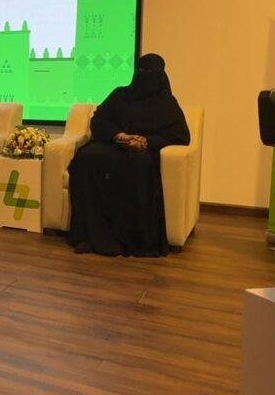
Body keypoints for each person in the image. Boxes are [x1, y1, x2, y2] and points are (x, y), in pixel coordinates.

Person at [67, 54, 190, 257]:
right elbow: (99, 120)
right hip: (115, 143)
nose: (143, 77)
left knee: (138, 165)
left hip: (143, 150)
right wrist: (120, 136)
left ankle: (131, 239)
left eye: (149, 73)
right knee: (86, 158)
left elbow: (180, 135)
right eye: (140, 72)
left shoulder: (167, 103)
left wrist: (146, 141)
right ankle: (90, 235)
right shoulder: (120, 94)